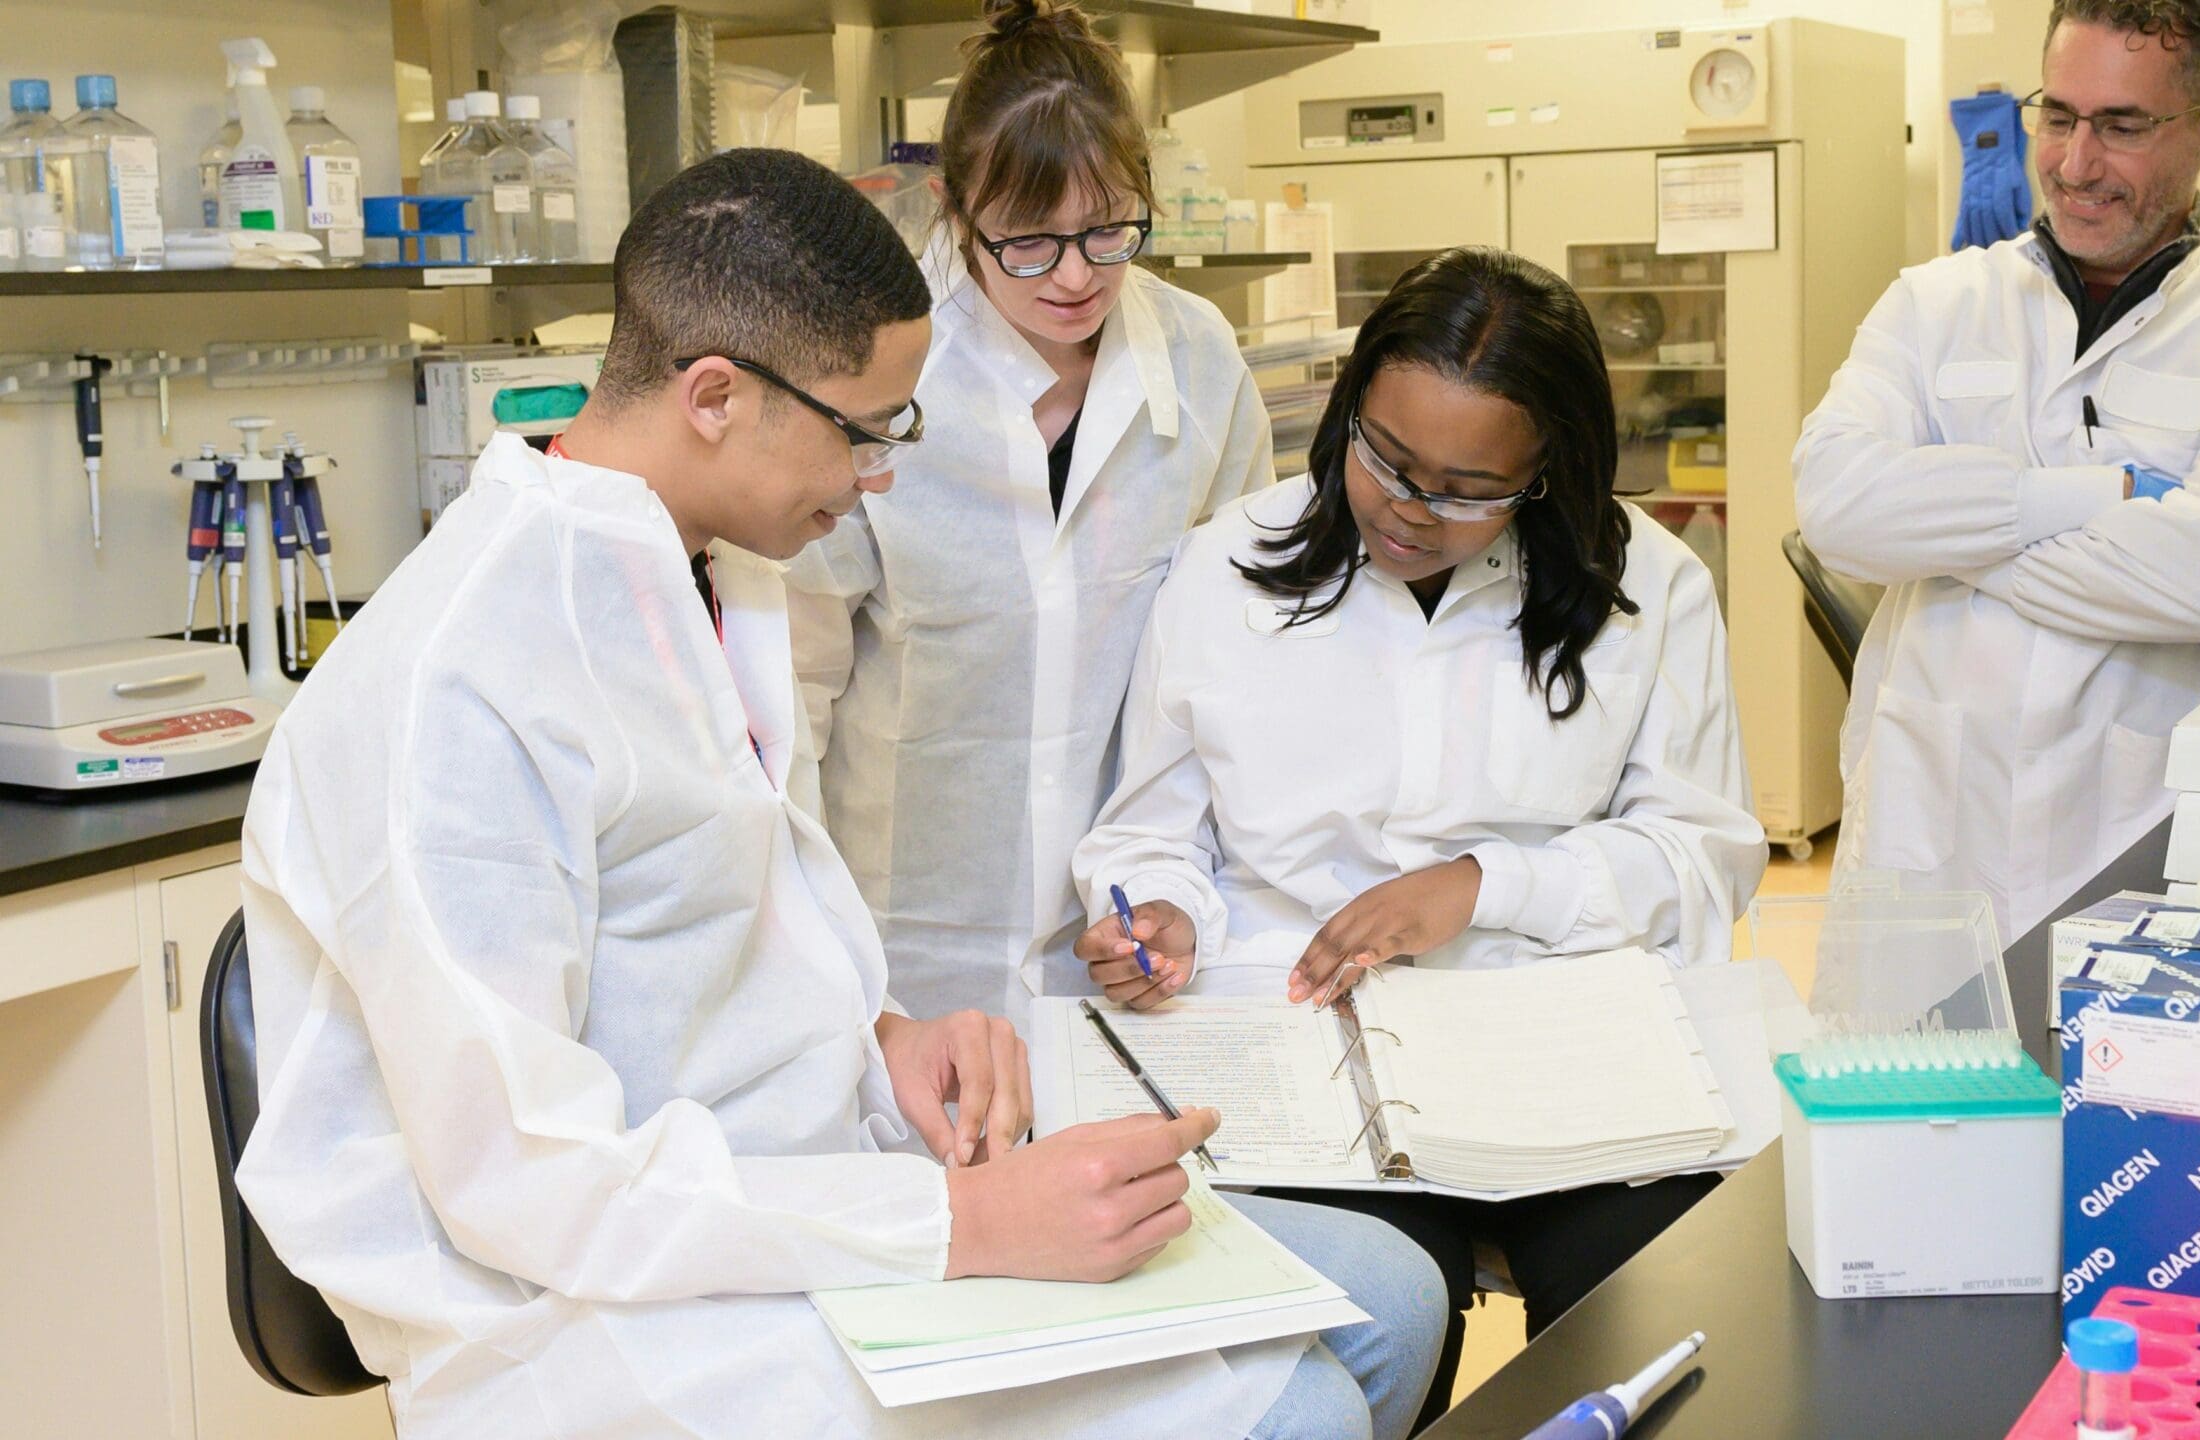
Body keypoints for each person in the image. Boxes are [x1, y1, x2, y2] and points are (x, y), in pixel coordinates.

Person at [235, 148, 1441, 1440]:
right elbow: (528, 1182)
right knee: (1303, 1409)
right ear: (715, 396)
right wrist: (963, 1223)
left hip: (793, 1189)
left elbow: (714, 936)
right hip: (592, 1310)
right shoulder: (456, 685)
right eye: (866, 432)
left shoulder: (712, 574)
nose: (880, 477)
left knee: (1395, 1296)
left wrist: (885, 1038)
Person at [1069, 246, 1768, 1423]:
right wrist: (1158, 913)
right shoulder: (1226, 567)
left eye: (1466, 489)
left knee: (1653, 1308)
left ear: (1546, 474)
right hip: (1307, 1055)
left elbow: (1699, 856)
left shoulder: (1648, 585)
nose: (1408, 508)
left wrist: (1486, 886)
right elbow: (1148, 831)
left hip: (1554, 1049)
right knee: (1380, 1325)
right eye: (1385, 459)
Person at [1793, 0, 2200, 944]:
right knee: (1919, 1042)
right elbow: (1836, 507)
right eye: (2057, 116)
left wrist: (1944, 539)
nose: (2074, 162)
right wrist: (2095, 499)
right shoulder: (1932, 304)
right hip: (1934, 837)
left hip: (2153, 837)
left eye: (2124, 126)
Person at [787, 0, 1272, 1025]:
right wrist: (797, 940)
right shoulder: (870, 373)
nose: (1076, 276)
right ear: (955, 209)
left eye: (1109, 230)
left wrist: (1180, 892)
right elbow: (794, 683)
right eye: (1028, 242)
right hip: (900, 942)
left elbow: (1231, 655)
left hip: (1126, 931)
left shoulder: (1197, 360)